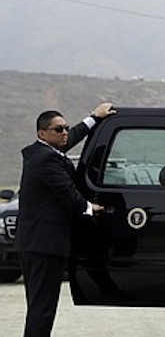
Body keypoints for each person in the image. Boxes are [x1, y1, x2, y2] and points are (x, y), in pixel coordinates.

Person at [17, 102, 114, 337]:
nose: (65, 133)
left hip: (37, 244)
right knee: (42, 308)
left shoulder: (43, 151)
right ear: (42, 133)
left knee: (41, 306)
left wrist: (94, 117)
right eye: (58, 129)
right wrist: (90, 208)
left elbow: (70, 140)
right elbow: (66, 192)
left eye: (66, 128)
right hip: (44, 245)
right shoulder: (46, 160)